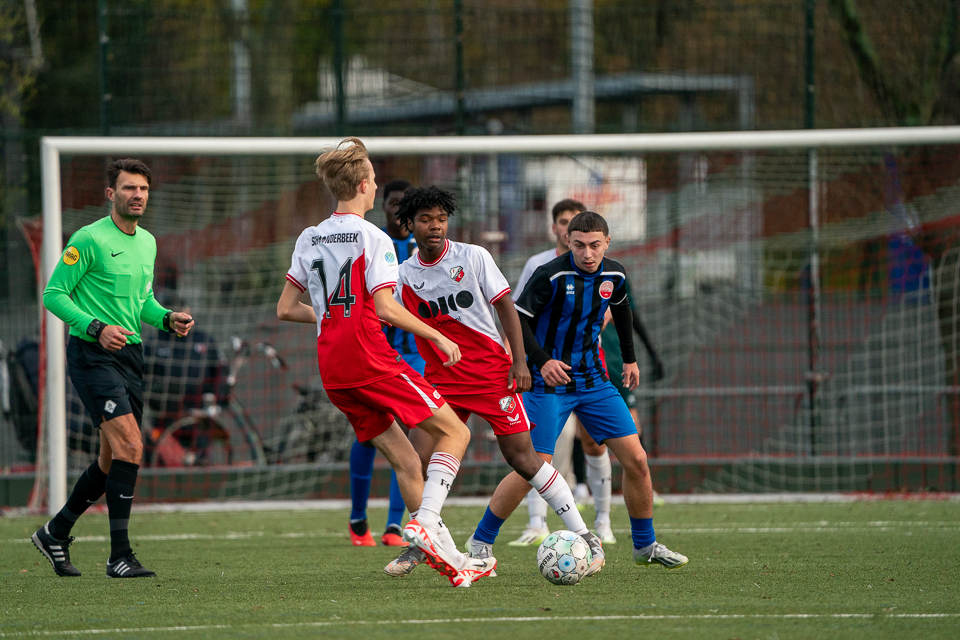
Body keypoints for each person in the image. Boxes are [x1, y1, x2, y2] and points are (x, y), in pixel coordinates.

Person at [276, 137, 495, 587]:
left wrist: (333, 315)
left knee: (405, 460)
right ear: (361, 184)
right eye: (374, 179)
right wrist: (436, 335)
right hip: (370, 357)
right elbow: (386, 308)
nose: (376, 186)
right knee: (456, 430)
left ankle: (452, 558)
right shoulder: (371, 236)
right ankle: (425, 522)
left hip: (333, 370)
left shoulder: (310, 236)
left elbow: (285, 308)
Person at [382, 186, 604, 578]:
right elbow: (386, 316)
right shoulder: (402, 276)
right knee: (415, 460)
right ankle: (422, 542)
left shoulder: (472, 256)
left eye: (441, 219)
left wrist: (520, 362)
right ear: (409, 225)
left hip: (489, 374)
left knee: (524, 458)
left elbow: (506, 305)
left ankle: (585, 535)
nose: (435, 227)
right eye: (425, 220)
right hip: (441, 380)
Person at [468, 210, 688, 570]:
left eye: (595, 245)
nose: (587, 253)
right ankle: (480, 542)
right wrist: (540, 361)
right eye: (580, 245)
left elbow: (623, 310)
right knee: (534, 467)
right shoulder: (549, 275)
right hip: (547, 384)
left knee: (637, 460)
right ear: (567, 242)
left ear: (607, 243)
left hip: (593, 380)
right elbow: (518, 318)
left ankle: (645, 546)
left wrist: (630, 360)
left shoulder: (614, 273)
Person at [33, 158, 195, 578]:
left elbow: (141, 302)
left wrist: (166, 318)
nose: (137, 195)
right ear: (111, 194)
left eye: (142, 188)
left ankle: (55, 531)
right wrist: (96, 327)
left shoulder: (148, 242)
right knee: (131, 448)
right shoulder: (87, 239)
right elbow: (54, 294)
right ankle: (119, 555)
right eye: (128, 188)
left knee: (111, 461)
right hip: (92, 354)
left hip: (130, 356)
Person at [509, 198, 619, 547]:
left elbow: (613, 304)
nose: (584, 245)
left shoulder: (604, 268)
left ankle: (603, 521)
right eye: (563, 223)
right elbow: (517, 313)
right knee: (541, 448)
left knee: (593, 440)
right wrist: (524, 360)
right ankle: (536, 522)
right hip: (547, 367)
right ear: (559, 230)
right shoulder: (539, 265)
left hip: (589, 364)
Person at [347, 178, 419, 548]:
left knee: (406, 436)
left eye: (406, 203)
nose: (399, 209)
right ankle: (358, 517)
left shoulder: (425, 248)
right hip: (376, 352)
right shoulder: (370, 240)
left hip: (418, 357)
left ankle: (394, 525)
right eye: (393, 202)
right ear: (385, 205)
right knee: (370, 435)